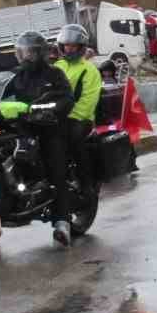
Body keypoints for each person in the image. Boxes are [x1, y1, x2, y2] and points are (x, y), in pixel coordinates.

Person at [0, 32, 78, 246]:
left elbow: (66, 99)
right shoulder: (16, 77)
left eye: (30, 52)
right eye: (22, 52)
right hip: (24, 129)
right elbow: (1, 97)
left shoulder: (54, 74)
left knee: (56, 169)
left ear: (40, 53)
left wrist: (47, 110)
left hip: (50, 128)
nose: (25, 57)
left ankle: (62, 222)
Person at [53, 23, 104, 196]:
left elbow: (87, 102)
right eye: (66, 45)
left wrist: (65, 116)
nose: (69, 49)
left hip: (80, 119)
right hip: (55, 115)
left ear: (81, 47)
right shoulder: (57, 67)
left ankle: (86, 183)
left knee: (72, 140)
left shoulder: (89, 71)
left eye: (73, 45)